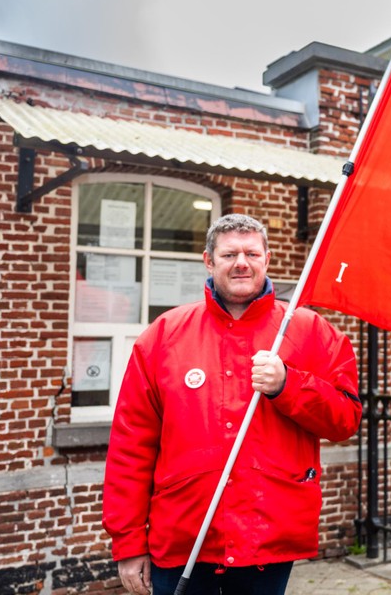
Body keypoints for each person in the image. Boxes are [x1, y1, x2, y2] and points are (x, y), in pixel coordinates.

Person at [102, 214, 362, 595]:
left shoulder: (310, 331)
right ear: (209, 261)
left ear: (267, 259)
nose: (242, 262)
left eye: (251, 253)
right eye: (229, 254)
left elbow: (345, 420)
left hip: (268, 534)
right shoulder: (163, 336)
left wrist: (289, 386)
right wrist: (127, 542)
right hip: (184, 534)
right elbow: (131, 445)